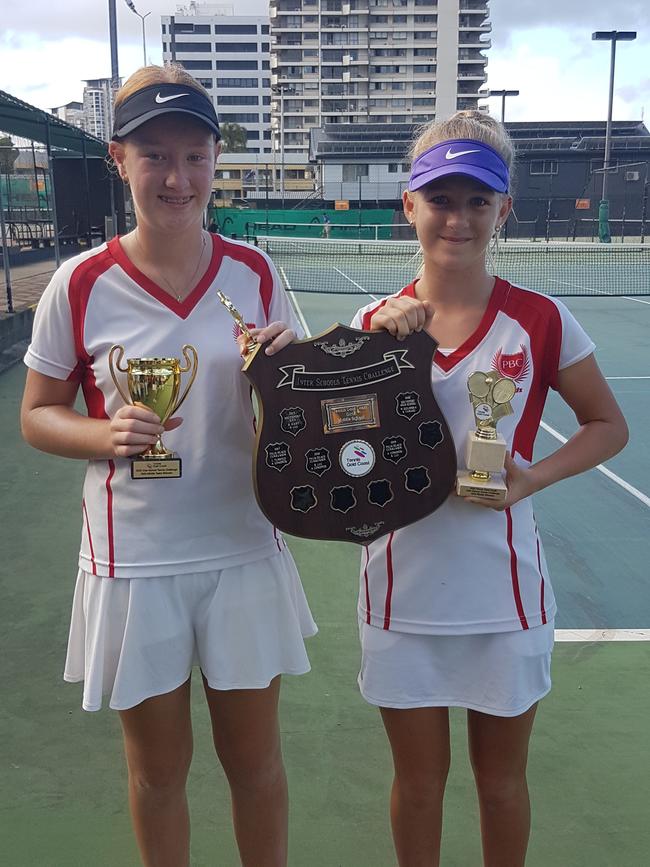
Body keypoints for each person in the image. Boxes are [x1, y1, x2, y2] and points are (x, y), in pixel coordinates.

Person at [20, 64, 316, 867]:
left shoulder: (255, 274)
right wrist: (101, 434)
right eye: (154, 154)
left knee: (255, 765)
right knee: (158, 774)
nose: (177, 177)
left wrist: (289, 382)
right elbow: (37, 415)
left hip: (241, 548)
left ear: (217, 159)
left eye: (194, 154)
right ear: (119, 159)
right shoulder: (80, 285)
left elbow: (296, 413)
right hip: (134, 561)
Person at [350, 111, 628, 867]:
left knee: (502, 785)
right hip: (400, 595)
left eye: (478, 199)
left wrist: (533, 476)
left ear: (504, 209)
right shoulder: (368, 327)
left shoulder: (542, 320)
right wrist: (375, 343)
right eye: (441, 197)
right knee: (417, 785)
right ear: (409, 204)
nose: (458, 217)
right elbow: (338, 457)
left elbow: (607, 424)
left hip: (504, 599)